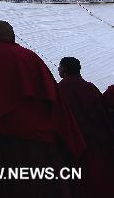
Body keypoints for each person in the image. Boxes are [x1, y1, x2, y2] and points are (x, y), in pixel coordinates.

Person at [0, 21, 84, 198]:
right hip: (41, 142)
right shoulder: (30, 56)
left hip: (4, 144)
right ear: (13, 35)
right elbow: (54, 99)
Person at [56, 57, 114, 198]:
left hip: (76, 148)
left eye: (59, 66)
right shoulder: (91, 87)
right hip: (100, 144)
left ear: (63, 69)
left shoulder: (60, 90)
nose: (58, 69)